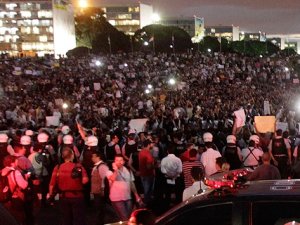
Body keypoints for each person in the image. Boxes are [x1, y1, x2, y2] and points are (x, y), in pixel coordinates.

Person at [49, 147, 89, 225]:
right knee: (78, 219)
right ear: (72, 155)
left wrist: (51, 196)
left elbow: (52, 184)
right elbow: (85, 181)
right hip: (77, 197)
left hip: (63, 197)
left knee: (65, 219)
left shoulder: (58, 168)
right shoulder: (78, 166)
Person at [107, 154, 141, 221]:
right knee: (124, 217)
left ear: (124, 162)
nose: (119, 162)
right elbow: (112, 178)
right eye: (117, 160)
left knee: (129, 216)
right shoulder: (109, 171)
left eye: (121, 160)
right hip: (116, 199)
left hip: (127, 197)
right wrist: (116, 170)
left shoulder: (127, 170)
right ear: (114, 161)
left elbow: (131, 183)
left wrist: (136, 195)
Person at [1, 155, 29, 225]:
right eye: (16, 162)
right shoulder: (15, 172)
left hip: (2, 200)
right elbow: (24, 185)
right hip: (15, 199)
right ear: (12, 163)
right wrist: (26, 177)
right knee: (18, 218)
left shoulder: (1, 171)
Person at [90, 151, 110, 225]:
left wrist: (102, 189)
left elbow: (104, 179)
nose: (92, 158)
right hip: (97, 191)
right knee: (99, 209)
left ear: (98, 157)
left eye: (93, 156)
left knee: (100, 210)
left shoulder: (101, 167)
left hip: (99, 192)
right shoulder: (97, 166)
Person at [138, 139, 155, 206]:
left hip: (143, 174)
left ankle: (147, 203)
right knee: (148, 191)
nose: (152, 145)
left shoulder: (141, 152)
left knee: (146, 190)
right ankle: (147, 205)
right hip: (148, 174)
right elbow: (149, 167)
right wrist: (156, 165)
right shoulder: (148, 154)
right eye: (151, 144)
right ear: (148, 145)